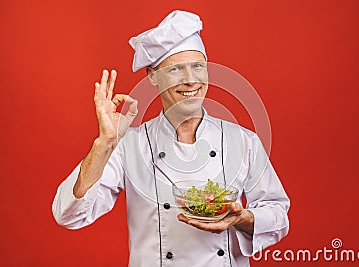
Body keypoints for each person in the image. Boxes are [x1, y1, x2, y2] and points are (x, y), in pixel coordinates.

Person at [52, 10, 290, 267]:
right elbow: (69, 215)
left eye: (198, 66)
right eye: (176, 69)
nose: (191, 80)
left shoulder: (243, 141)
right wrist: (105, 143)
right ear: (152, 76)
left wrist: (242, 218)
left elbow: (277, 212)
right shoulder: (130, 145)